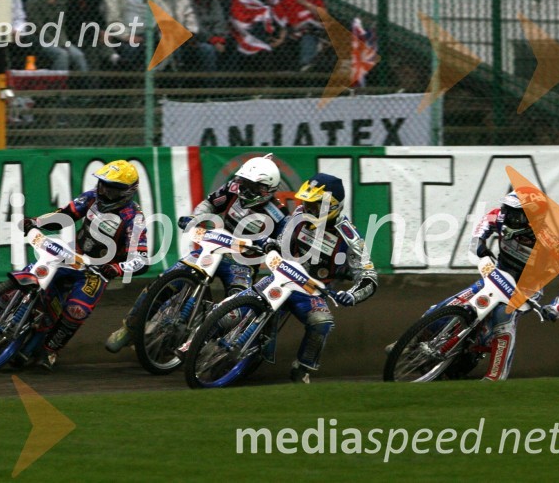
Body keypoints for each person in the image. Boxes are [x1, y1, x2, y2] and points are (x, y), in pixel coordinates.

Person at [105, 154, 287, 353]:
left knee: (237, 310)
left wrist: (270, 245)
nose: (243, 188)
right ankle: (130, 328)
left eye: (250, 185)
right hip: (213, 249)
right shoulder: (232, 188)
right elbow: (210, 204)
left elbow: (283, 245)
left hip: (242, 265)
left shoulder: (278, 213)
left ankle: (209, 347)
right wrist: (195, 217)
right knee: (164, 280)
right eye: (243, 182)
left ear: (266, 189)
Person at [20, 160, 149, 371]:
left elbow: (142, 259)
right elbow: (64, 215)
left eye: (112, 189)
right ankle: (2, 316)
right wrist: (36, 222)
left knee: (77, 309)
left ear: (127, 192)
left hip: (97, 271)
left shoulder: (134, 218)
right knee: (33, 273)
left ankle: (51, 349)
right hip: (72, 255)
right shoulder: (91, 197)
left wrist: (116, 268)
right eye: (103, 185)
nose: (105, 191)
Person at [249, 173, 377, 383]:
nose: (307, 209)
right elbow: (282, 239)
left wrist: (351, 296)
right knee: (242, 304)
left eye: (314, 205)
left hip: (311, 290)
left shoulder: (350, 236)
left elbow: (369, 276)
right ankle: (203, 334)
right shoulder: (299, 213)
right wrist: (271, 244)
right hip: (282, 275)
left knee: (322, 321)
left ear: (331, 206)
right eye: (306, 203)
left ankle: (302, 369)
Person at [469, 191, 559, 381]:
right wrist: (479, 241)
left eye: (515, 213)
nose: (506, 215)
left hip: (527, 288)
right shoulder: (501, 217)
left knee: (503, 317)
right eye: (507, 209)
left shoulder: (553, 242)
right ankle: (425, 332)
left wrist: (557, 308)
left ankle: (496, 376)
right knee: (465, 300)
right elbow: (486, 220)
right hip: (499, 274)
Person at [26, 0, 89, 72]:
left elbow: (61, 26)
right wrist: (55, 42)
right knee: (62, 55)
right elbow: (37, 27)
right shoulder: (34, 0)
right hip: (39, 39)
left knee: (79, 55)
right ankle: (58, 83)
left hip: (59, 38)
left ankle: (85, 83)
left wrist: (63, 43)